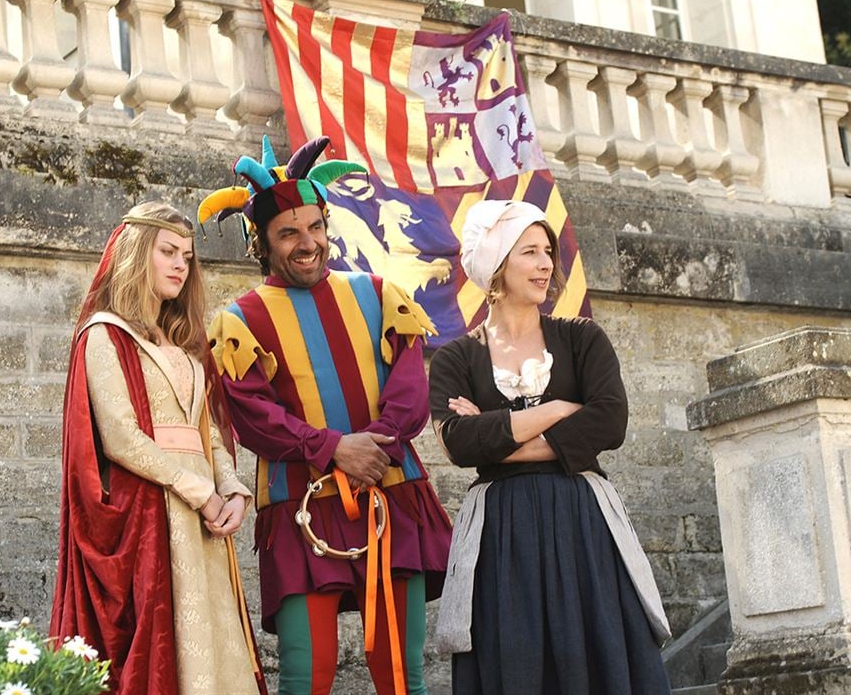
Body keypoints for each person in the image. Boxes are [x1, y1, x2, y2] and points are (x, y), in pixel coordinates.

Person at [200, 136, 452, 695]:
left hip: (389, 493)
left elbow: (410, 395)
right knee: (304, 679)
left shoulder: (382, 294)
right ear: (262, 243)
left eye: (315, 227)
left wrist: (373, 448)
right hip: (299, 508)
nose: (307, 242)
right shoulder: (239, 319)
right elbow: (253, 419)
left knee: (402, 678)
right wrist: (336, 449)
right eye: (289, 232)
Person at [428, 200, 672, 695]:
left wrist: (499, 435)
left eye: (548, 252)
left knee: (596, 643)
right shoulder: (456, 358)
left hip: (581, 518)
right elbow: (458, 441)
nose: (545, 264)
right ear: (497, 266)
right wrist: (561, 408)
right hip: (502, 531)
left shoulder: (582, 338)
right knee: (515, 654)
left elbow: (610, 421)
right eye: (529, 253)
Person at [50, 201, 264, 695]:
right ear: (135, 254)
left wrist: (231, 490)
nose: (179, 266)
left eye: (187, 257)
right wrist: (199, 491)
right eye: (168, 252)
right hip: (154, 515)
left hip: (204, 519)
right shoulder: (104, 335)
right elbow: (122, 437)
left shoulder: (186, 345)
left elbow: (207, 430)